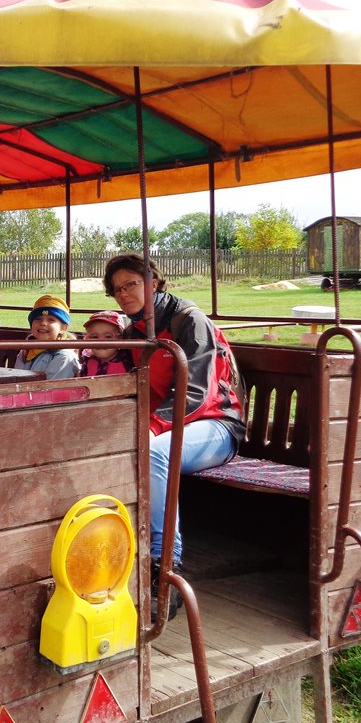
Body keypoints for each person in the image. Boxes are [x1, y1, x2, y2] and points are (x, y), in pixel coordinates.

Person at [104, 253, 245, 617]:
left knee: (153, 452)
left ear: (153, 282)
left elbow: (196, 393)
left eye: (131, 284)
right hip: (163, 426)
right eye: (117, 289)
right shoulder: (135, 332)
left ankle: (164, 568)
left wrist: (151, 425)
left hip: (216, 424)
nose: (124, 294)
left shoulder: (189, 321)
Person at [14, 295, 80, 379]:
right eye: (38, 319)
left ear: (63, 328)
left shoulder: (64, 356)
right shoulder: (26, 351)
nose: (43, 323)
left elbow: (52, 385)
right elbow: (15, 378)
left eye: (51, 320)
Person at [79, 310, 134, 376]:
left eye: (108, 337)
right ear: (88, 339)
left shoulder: (128, 364)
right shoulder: (88, 362)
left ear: (120, 339)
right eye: (95, 337)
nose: (101, 342)